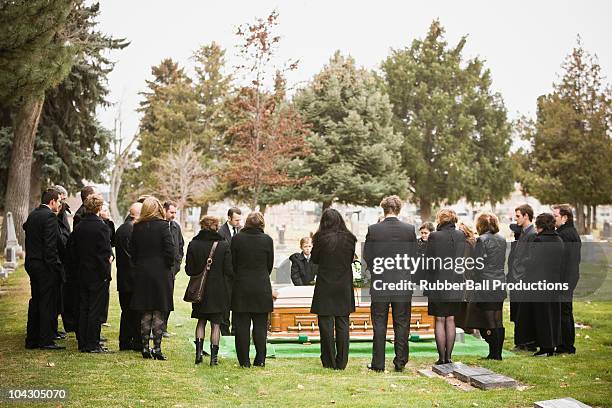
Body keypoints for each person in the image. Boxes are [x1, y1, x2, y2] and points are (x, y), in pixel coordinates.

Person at [363, 195, 417, 372]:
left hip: (381, 282)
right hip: (402, 282)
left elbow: (367, 256)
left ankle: (378, 363)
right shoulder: (409, 230)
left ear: (383, 209)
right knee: (401, 323)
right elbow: (414, 256)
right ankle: (400, 362)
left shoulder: (374, 230)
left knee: (379, 323)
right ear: (398, 209)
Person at [311, 208, 357, 370]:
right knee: (343, 323)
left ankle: (329, 360)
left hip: (325, 284)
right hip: (343, 284)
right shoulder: (350, 238)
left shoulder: (320, 238)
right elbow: (351, 258)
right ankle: (342, 361)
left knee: (326, 324)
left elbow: (314, 259)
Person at [130, 197, 175, 360]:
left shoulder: (137, 227)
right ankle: (156, 348)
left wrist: (140, 265)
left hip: (142, 272)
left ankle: (144, 347)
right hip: (160, 272)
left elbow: (132, 252)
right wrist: (167, 265)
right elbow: (170, 250)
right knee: (159, 310)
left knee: (146, 310)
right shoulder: (163, 226)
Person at [515, 213, 564, 357]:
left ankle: (545, 347)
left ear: (540, 225)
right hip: (553, 282)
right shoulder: (559, 240)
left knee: (542, 317)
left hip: (539, 283)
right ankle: (552, 345)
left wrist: (524, 261)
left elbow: (532, 261)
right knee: (553, 316)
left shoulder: (539, 241)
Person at [186, 216, 233, 366]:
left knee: (201, 322)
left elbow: (189, 270)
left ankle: (198, 354)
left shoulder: (193, 244)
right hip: (218, 290)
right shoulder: (224, 244)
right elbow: (228, 270)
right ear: (216, 227)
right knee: (216, 325)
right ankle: (213, 358)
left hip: (200, 291)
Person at [70, 194, 113, 353]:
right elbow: (103, 253)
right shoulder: (101, 227)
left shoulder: (79, 226)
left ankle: (82, 342)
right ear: (99, 208)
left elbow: (73, 250)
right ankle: (93, 343)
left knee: (83, 307)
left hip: (82, 272)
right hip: (96, 274)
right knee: (95, 309)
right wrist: (106, 268)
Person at [230, 212, 274, 367]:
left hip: (241, 285)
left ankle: (244, 361)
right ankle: (260, 358)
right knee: (261, 325)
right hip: (261, 286)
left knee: (241, 325)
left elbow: (232, 263)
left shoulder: (237, 239)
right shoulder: (267, 240)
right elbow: (269, 265)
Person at [23, 188, 65, 350]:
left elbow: (26, 227)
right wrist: (54, 267)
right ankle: (45, 340)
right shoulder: (49, 216)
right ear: (52, 201)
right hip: (44, 266)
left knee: (36, 300)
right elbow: (50, 246)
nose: (60, 205)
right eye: (59, 202)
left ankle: (32, 339)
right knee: (47, 302)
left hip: (32, 263)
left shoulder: (33, 214)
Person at [425, 208, 467, 364]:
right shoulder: (461, 235)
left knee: (440, 320)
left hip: (438, 282)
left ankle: (441, 358)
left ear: (441, 219)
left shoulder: (434, 236)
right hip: (456, 282)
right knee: (451, 319)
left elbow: (429, 262)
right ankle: (449, 357)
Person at [463, 213, 507, 360]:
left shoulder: (481, 240)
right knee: (498, 318)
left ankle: (493, 353)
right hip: (499, 281)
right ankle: (498, 353)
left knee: (488, 320)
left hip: (486, 282)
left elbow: (478, 264)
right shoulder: (502, 239)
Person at [553, 204, 581, 354]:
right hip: (568, 277)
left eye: (556, 216)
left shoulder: (565, 234)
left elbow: (563, 261)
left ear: (565, 217)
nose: (554, 219)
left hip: (565, 279)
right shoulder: (568, 232)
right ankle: (566, 344)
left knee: (564, 312)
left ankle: (566, 346)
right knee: (565, 311)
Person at [509, 204, 537, 351]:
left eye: (518, 216)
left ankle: (526, 343)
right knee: (518, 312)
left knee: (524, 312)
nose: (516, 219)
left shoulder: (532, 233)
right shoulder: (523, 232)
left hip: (523, 278)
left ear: (526, 216)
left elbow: (529, 258)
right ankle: (521, 342)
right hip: (517, 277)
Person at [115, 202, 143, 351]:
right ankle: (136, 342)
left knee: (126, 312)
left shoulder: (122, 229)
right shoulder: (133, 230)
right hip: (132, 278)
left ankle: (125, 342)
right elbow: (133, 257)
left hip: (124, 277)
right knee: (135, 312)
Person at [218, 207, 242, 336]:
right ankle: (225, 332)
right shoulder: (221, 232)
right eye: (236, 220)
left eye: (239, 220)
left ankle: (235, 331)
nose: (238, 222)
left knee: (237, 303)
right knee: (225, 304)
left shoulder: (241, 231)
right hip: (225, 274)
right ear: (229, 218)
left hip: (238, 274)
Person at [162, 201, 184, 338]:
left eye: (175, 212)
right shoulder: (160, 226)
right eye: (171, 212)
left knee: (168, 299)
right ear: (164, 211)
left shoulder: (176, 227)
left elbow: (180, 245)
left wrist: (178, 261)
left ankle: (163, 327)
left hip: (172, 270)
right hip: (160, 269)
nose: (173, 215)